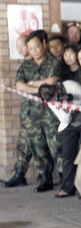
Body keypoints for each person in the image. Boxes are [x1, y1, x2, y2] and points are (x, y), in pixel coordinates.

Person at [7, 30, 62, 192]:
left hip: (51, 114)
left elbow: (51, 82)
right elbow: (19, 86)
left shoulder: (54, 63)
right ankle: (45, 178)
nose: (35, 51)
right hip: (31, 114)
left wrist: (30, 84)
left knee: (56, 146)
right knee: (37, 147)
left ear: (44, 44)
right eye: (31, 49)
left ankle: (66, 179)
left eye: (37, 47)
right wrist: (39, 85)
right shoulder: (26, 65)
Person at [41, 81, 81, 198]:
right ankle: (67, 187)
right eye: (51, 100)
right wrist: (66, 110)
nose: (54, 100)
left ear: (56, 89)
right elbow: (65, 119)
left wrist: (74, 103)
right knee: (67, 155)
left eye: (55, 96)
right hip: (69, 125)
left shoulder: (70, 86)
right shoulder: (49, 100)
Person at [1, 35, 33, 188]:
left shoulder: (38, 64)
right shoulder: (25, 64)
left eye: (22, 45)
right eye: (17, 46)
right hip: (27, 112)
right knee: (23, 142)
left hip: (42, 114)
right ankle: (20, 174)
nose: (20, 49)